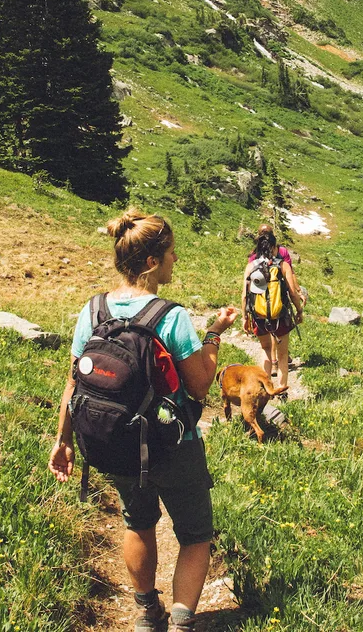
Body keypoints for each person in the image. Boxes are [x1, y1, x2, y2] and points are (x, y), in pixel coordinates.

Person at [49, 210, 238, 632]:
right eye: (171, 254)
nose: (175, 260)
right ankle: (182, 623)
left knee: (138, 524)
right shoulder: (169, 316)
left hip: (117, 443)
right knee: (195, 535)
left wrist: (63, 439)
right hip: (174, 445)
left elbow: (74, 381)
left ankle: (147, 613)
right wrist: (213, 335)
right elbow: (200, 386)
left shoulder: (93, 310)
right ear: (152, 262)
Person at [242, 227, 303, 390]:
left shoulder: (251, 266)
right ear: (275, 248)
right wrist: (299, 311)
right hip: (280, 315)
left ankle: (265, 389)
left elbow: (245, 295)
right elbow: (292, 293)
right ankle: (282, 390)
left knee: (266, 349)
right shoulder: (283, 265)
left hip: (259, 316)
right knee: (282, 355)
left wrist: (245, 318)